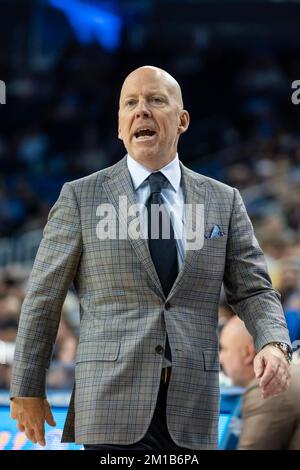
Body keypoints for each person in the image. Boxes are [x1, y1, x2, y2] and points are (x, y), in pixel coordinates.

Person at [10, 65, 292, 451]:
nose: (142, 110)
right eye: (131, 103)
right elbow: (43, 298)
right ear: (120, 126)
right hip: (110, 406)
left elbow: (255, 290)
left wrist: (274, 343)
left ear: (182, 120)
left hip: (193, 407)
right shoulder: (81, 197)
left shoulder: (223, 200)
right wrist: (26, 387)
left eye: (156, 100)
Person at [220, 316, 300, 449]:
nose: (220, 358)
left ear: (248, 353)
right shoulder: (290, 368)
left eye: (224, 349)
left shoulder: (268, 383)